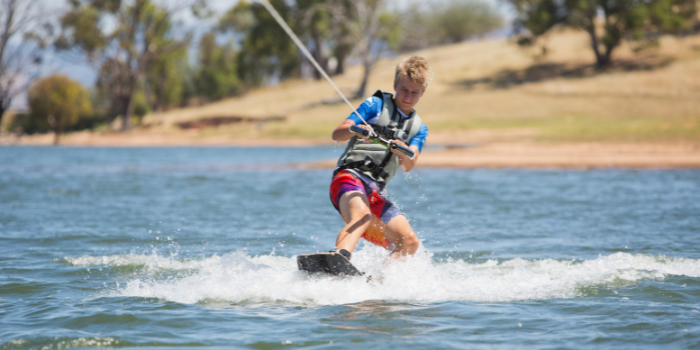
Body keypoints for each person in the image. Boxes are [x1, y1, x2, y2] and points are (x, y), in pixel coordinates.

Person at [329, 55, 432, 262]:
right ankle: (339, 257)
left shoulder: (419, 129)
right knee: (363, 215)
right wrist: (357, 130)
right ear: (395, 84)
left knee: (410, 242)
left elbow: (410, 165)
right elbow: (337, 133)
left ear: (423, 92)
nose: (408, 97)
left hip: (375, 191)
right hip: (349, 178)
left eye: (415, 93)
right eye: (404, 89)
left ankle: (378, 283)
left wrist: (403, 150)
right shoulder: (375, 105)